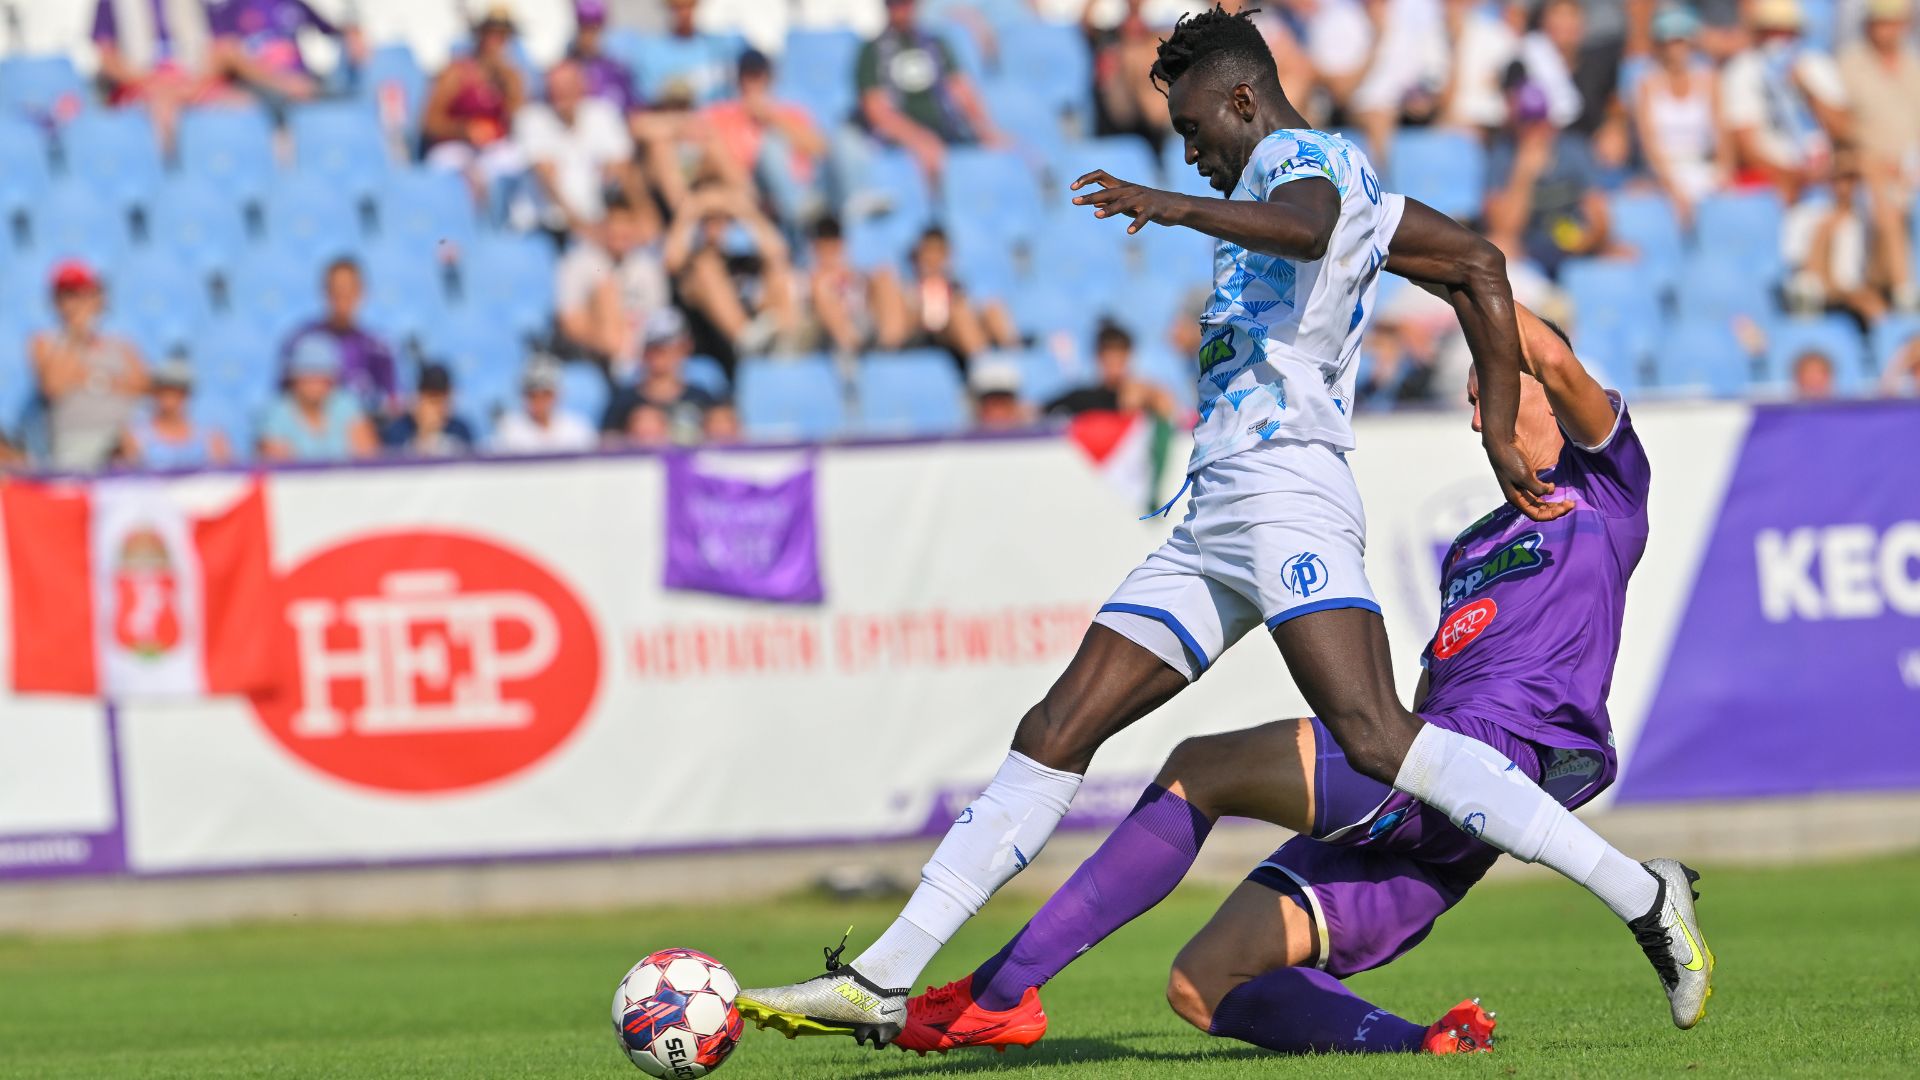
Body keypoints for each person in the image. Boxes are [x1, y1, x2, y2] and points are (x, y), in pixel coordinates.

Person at [737, 5, 1702, 1047]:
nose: (1193, 155)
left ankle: (1641, 897)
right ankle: (886, 975)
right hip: (1215, 512)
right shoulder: (1327, 185)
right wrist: (1501, 431)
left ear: (1243, 98)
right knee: (1059, 728)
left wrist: (1169, 206)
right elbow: (1478, 265)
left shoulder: (1304, 161)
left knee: (1377, 732)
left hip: (1289, 488)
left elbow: (1312, 224)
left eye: (1197, 130)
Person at [898, 309, 1697, 1056]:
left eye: (1487, 384)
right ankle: (1425, 1046)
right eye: (1470, 394)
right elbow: (1423, 713)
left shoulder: (1607, 489)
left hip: (1500, 754)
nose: (1474, 407)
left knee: (1200, 769)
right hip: (1440, 795)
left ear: (1541, 385)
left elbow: (1546, 349)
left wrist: (1438, 263)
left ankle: (999, 991)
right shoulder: (1472, 544)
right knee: (1201, 983)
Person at [855, 0, 1007, 178]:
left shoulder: (936, 44)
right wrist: (917, 139)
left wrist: (985, 129)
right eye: (895, 3)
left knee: (1006, 151)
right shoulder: (871, 52)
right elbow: (877, 110)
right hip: (899, 142)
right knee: (929, 157)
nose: (901, 9)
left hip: (947, 130)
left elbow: (962, 90)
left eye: (906, 3)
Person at [1484, 79, 1614, 277]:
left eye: (1538, 120)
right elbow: (1503, 229)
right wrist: (1523, 175)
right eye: (1526, 121)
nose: (1534, 129)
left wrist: (1588, 240)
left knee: (1619, 255)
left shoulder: (1574, 150)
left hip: (1573, 244)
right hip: (1528, 249)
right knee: (1499, 247)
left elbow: (1599, 215)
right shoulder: (1503, 155)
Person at [1839, 0, 1920, 311]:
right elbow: (1842, 127)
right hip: (1870, 165)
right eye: (1879, 22)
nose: (1886, 29)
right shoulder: (1851, 65)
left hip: (1910, 165)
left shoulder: (1913, 63)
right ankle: (1904, 289)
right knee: (1883, 194)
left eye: (1891, 22)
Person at [1720, 0, 1849, 196]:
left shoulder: (1817, 64)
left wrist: (1806, 89)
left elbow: (1843, 130)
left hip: (1825, 176)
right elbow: (1746, 145)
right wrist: (1793, 176)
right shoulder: (1742, 69)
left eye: (1785, 31)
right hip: (1773, 180)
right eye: (1771, 31)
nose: (1778, 39)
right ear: (1759, 33)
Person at [30, 260, 149, 472]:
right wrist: (76, 334)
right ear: (56, 301)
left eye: (84, 294)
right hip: (75, 444)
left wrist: (86, 379)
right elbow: (53, 386)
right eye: (69, 295)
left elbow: (143, 388)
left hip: (125, 439)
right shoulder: (45, 342)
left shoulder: (122, 344)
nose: (77, 302)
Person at [663, 182, 803, 358]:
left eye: (721, 218)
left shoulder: (743, 254)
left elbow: (779, 252)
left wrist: (743, 209)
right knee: (705, 266)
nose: (714, 225)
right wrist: (691, 210)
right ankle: (748, 339)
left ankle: (789, 342)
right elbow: (670, 263)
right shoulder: (694, 256)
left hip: (759, 322)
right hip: (715, 339)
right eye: (708, 219)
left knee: (778, 270)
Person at [701, 50, 827, 227]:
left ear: (770, 79)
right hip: (750, 191)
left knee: (772, 147)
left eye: (758, 76)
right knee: (768, 149)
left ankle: (798, 212)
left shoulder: (789, 113)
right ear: (738, 80)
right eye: (747, 76)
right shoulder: (723, 114)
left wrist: (772, 118)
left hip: (796, 188)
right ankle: (798, 214)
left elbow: (820, 148)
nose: (753, 84)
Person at [516, 58, 638, 237]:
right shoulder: (531, 118)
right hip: (544, 228)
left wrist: (640, 219)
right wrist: (581, 227)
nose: (561, 93)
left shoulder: (603, 114)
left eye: (567, 86)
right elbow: (547, 181)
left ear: (582, 86)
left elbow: (624, 170)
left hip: (598, 225)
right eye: (555, 88)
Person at [557, 191, 674, 372]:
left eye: (626, 223)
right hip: (594, 354)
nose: (619, 231)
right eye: (613, 222)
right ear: (601, 226)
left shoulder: (647, 266)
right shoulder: (581, 262)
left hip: (641, 352)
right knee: (605, 290)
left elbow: (658, 320)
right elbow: (571, 324)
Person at [1633, 6, 1729, 224]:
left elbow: (1722, 136)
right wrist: (1673, 188)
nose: (1675, 48)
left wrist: (1721, 176)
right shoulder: (1646, 84)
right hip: (1663, 178)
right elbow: (1650, 145)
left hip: (1704, 173)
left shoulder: (1709, 79)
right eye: (1668, 42)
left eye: (1680, 40)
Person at [423, 6, 527, 203]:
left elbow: (519, 120)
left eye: (503, 36)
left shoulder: (511, 76)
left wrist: (507, 82)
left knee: (519, 164)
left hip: (493, 151)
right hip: (456, 146)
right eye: (492, 34)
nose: (497, 42)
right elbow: (430, 122)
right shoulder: (456, 72)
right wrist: (464, 130)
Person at [1782, 145, 1891, 328]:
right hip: (1825, 301)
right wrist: (1825, 233)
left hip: (1860, 296)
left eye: (1852, 178)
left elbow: (1880, 270)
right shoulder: (1807, 215)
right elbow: (1806, 274)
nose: (1845, 185)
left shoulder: (1867, 217)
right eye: (1839, 177)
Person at [279, 257, 399, 419]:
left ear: (361, 292)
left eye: (348, 289)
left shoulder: (378, 348)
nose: (342, 297)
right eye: (336, 290)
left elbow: (392, 404)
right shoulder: (301, 342)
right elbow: (282, 403)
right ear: (325, 291)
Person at [205, 0, 365, 105]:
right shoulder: (231, 8)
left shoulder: (294, 4)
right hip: (262, 88)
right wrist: (282, 83)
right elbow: (222, 52)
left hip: (305, 85)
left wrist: (352, 33)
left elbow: (333, 30)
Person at [602, 309, 723, 443]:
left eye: (667, 346)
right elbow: (607, 447)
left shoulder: (701, 398)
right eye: (652, 347)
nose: (659, 353)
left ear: (686, 347)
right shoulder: (623, 402)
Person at [903, 226, 1018, 364]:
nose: (933, 257)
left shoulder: (957, 286)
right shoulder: (910, 286)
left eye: (938, 251)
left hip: (962, 334)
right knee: (957, 312)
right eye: (928, 251)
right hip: (931, 336)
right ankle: (983, 362)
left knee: (993, 307)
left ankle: (1015, 359)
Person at [801, 216, 911, 356]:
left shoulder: (857, 275)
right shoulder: (807, 277)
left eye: (833, 246)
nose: (828, 252)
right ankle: (851, 347)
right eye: (823, 247)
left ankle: (890, 349)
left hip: (862, 321)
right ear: (814, 248)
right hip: (825, 331)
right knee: (821, 286)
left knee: (885, 279)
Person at [259, 334, 377, 462]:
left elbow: (368, 457)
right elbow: (279, 467)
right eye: (307, 374)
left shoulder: (344, 404)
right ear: (293, 379)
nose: (315, 383)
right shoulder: (278, 413)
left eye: (321, 375)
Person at [1043, 321, 1178, 419]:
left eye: (1120, 360)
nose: (1115, 368)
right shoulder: (1081, 398)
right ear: (1098, 358)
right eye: (1109, 360)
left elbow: (1170, 412)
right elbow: (1038, 413)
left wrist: (1150, 396)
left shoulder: (1144, 396)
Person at [119, 359, 232, 468]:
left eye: (177, 392)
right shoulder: (137, 437)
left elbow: (225, 474)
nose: (169, 398)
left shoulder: (210, 437)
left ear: (187, 395)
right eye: (162, 391)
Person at [491, 356, 598, 454]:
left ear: (556, 395)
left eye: (546, 394)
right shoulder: (509, 431)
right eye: (532, 395)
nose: (539, 400)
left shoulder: (578, 429)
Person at [381, 363, 476, 457]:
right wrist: (424, 432)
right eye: (433, 401)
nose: (440, 408)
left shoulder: (460, 430)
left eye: (444, 400)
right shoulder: (398, 431)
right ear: (419, 399)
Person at [569, 0, 639, 113]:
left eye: (594, 30)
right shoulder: (570, 68)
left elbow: (631, 106)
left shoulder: (617, 70)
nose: (588, 37)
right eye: (584, 29)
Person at [969, 361, 1031, 431]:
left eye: (1005, 404)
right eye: (993, 404)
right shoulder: (962, 440)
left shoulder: (1034, 438)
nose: (999, 413)